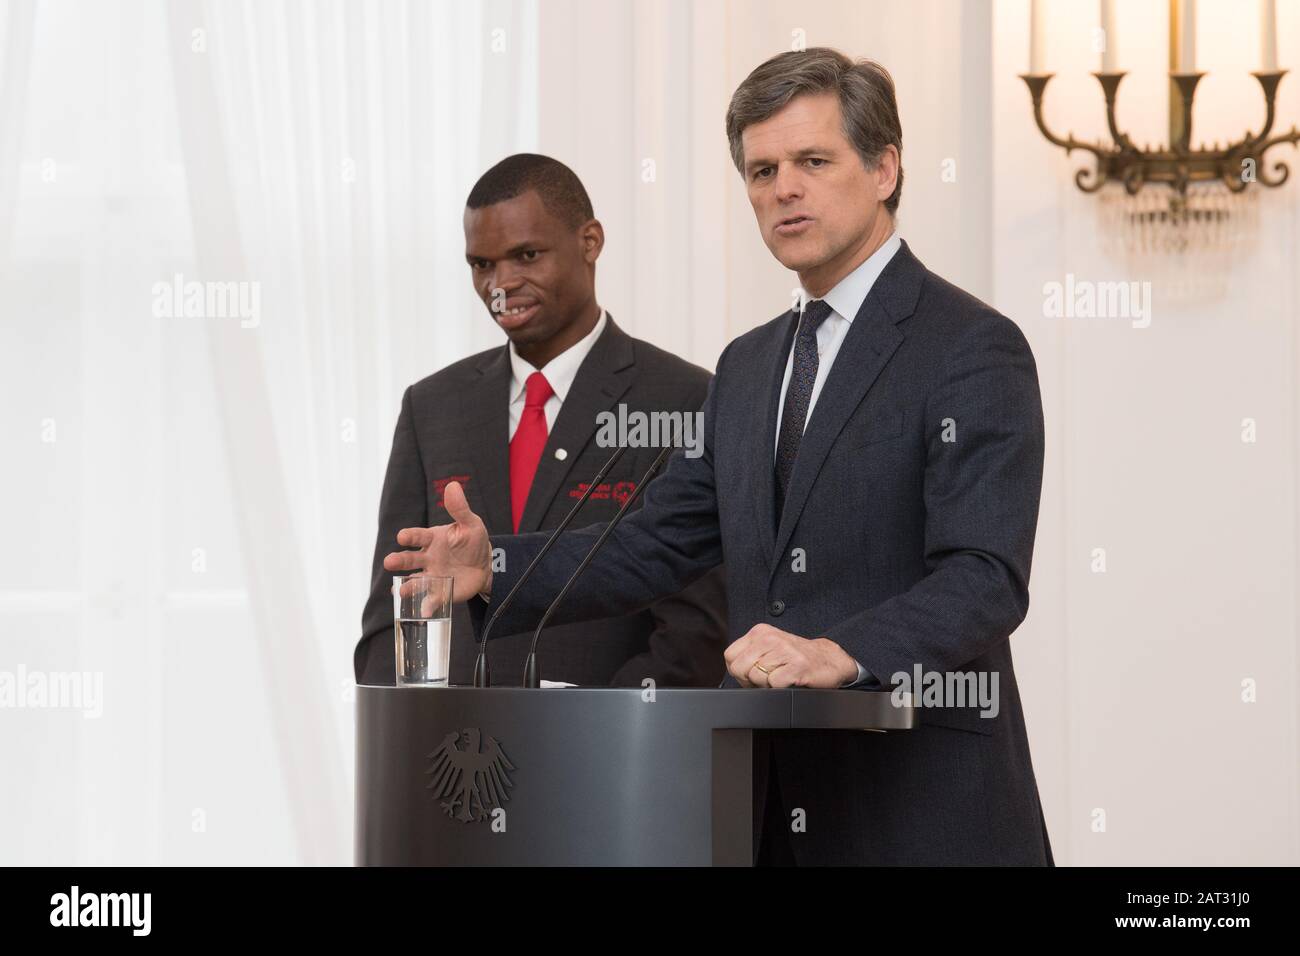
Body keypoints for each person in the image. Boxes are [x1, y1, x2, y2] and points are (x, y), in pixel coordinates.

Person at [383, 50, 1052, 865]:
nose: (783, 189)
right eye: (761, 170)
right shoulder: (746, 366)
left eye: (812, 161)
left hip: (923, 807)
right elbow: (652, 541)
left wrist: (841, 653)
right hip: (763, 807)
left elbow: (985, 575)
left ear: (885, 168)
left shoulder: (971, 346)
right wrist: (497, 566)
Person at [356, 153, 727, 689]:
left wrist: (594, 742)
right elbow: (389, 614)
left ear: (590, 242)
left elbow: (698, 629)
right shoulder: (431, 405)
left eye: (526, 255)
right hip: (453, 760)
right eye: (482, 265)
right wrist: (406, 747)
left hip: (614, 755)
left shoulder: (684, 397)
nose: (500, 284)